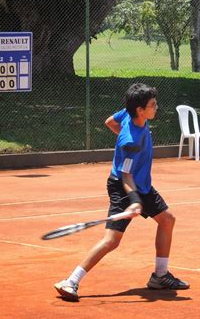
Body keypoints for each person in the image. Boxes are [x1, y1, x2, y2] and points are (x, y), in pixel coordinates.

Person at [54, 83, 189, 301]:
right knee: (112, 240)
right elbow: (126, 175)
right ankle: (71, 281)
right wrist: (134, 200)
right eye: (153, 105)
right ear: (140, 110)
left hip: (142, 185)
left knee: (167, 219)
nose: (157, 107)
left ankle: (160, 276)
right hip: (124, 186)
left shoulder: (128, 114)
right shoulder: (131, 141)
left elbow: (109, 122)